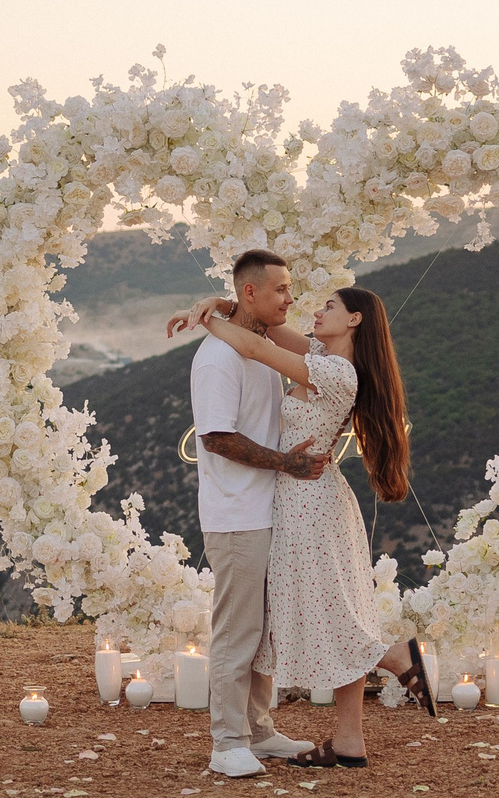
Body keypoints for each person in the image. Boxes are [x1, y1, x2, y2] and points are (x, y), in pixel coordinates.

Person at [171, 274, 440, 770]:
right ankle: (349, 740)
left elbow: (253, 344)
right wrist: (222, 302)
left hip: (307, 501)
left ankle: (395, 656)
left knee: (326, 612)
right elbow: (266, 328)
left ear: (355, 319)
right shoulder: (322, 354)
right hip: (304, 497)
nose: (314, 311)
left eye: (329, 306)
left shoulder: (337, 373)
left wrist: (205, 319)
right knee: (330, 608)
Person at [182, 250, 328, 779]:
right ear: (250, 293)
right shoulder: (217, 359)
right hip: (236, 515)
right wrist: (286, 463)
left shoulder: (259, 346)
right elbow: (217, 437)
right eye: (281, 290)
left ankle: (260, 731)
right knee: (237, 630)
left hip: (268, 509)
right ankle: (227, 743)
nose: (291, 299)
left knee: (264, 629)